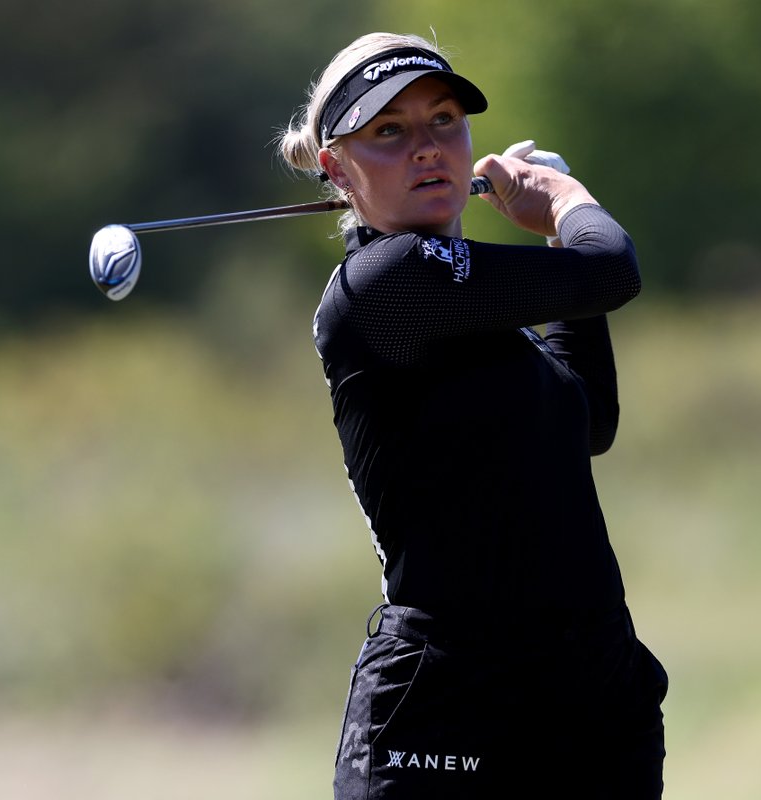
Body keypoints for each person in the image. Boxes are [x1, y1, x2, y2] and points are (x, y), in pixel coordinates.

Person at [277, 31, 668, 799]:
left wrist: (554, 234)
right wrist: (567, 202)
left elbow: (587, 421)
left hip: (590, 697)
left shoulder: (487, 322)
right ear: (336, 168)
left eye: (444, 122)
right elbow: (611, 268)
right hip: (448, 710)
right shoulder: (379, 286)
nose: (427, 148)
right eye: (388, 131)